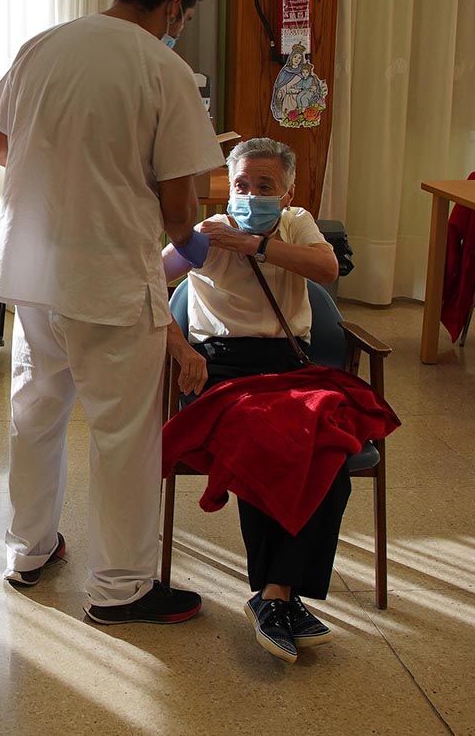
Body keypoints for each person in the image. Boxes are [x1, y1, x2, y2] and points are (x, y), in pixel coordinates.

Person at [0, 0, 223, 624]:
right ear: (174, 5)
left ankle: (29, 550)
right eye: (185, 16)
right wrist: (195, 245)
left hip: (32, 269)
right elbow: (179, 208)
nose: (181, 27)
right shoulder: (165, 69)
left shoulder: (41, 47)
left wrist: (67, 171)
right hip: (110, 279)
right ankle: (121, 588)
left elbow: (1, 149)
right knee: (122, 435)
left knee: (36, 414)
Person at [162, 136, 343, 664]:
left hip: (290, 365)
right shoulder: (209, 233)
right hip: (223, 369)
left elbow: (327, 270)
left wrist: (256, 246)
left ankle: (275, 596)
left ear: (287, 193)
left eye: (266, 186)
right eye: (241, 185)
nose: (251, 195)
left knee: (331, 450)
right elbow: (146, 284)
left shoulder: (296, 223)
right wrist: (181, 349)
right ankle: (279, 596)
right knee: (266, 446)